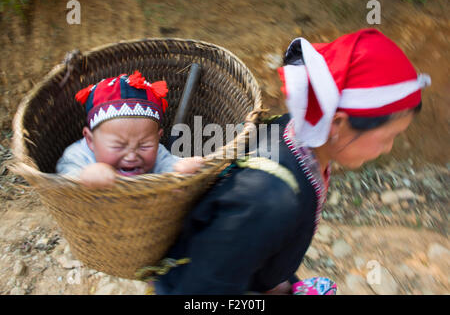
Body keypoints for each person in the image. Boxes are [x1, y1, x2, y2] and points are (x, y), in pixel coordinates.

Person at [153, 28, 431, 295]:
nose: (388, 148)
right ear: (337, 123)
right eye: (388, 137)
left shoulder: (294, 134)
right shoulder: (267, 200)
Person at [56, 71, 204, 188]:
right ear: (90, 140)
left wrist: (182, 168)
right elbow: (62, 180)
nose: (132, 156)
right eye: (118, 146)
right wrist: (84, 177)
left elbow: (169, 167)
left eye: (144, 145)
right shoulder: (78, 156)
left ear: (158, 138)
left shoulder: (157, 152)